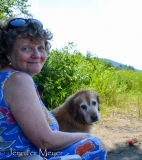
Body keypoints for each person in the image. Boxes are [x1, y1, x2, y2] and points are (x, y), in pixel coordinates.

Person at [0, 17, 107, 159]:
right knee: (94, 144)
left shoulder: (5, 77)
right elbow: (45, 141)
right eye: (26, 48)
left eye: (40, 48)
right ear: (8, 53)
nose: (37, 55)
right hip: (24, 157)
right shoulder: (18, 80)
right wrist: (85, 135)